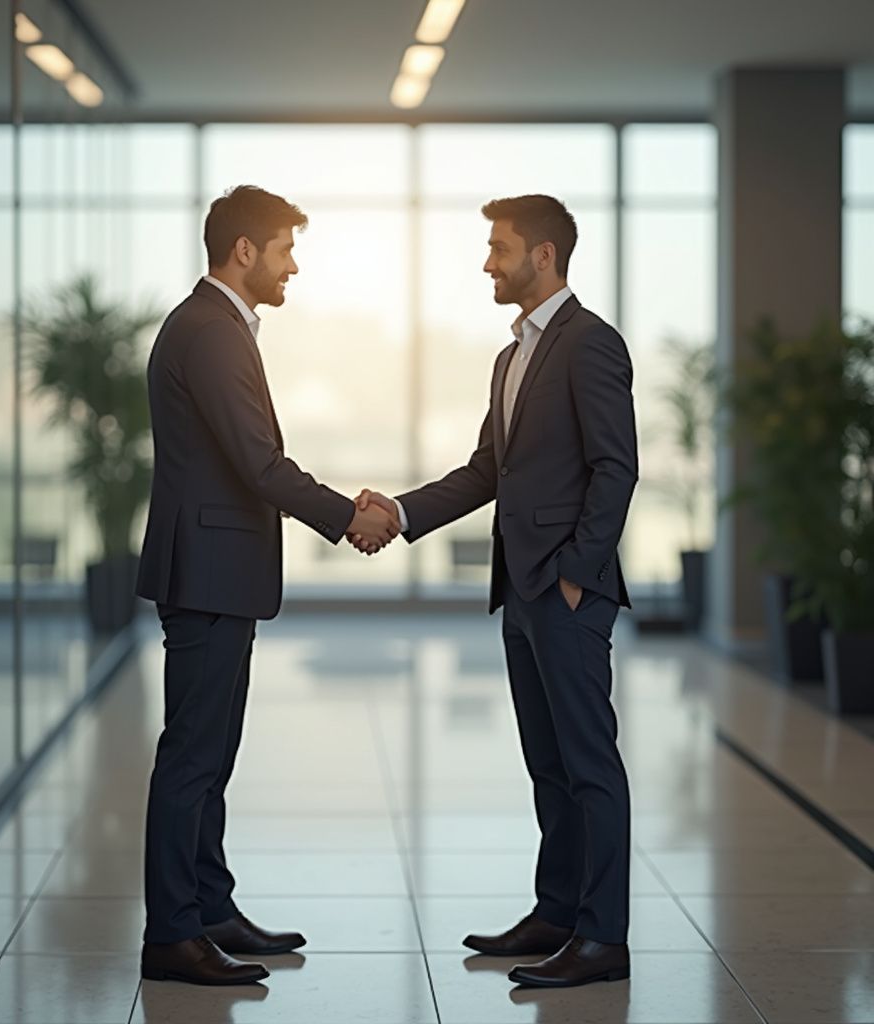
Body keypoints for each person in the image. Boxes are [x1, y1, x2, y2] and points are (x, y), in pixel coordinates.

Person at [354, 194, 638, 988]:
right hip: (521, 590)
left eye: (498, 248)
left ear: (543, 256)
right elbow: (490, 472)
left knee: (589, 765)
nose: (487, 262)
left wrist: (580, 574)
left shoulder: (591, 345)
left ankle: (602, 938)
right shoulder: (510, 356)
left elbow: (617, 467)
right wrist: (401, 513)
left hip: (567, 589)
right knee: (548, 764)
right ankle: (557, 913)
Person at [136, 185, 399, 986]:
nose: (294, 266)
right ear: (243, 251)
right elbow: (258, 463)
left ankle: (209, 908)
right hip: (209, 575)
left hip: (219, 573)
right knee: (192, 756)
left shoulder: (217, 326)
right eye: (285, 249)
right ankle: (173, 934)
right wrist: (345, 515)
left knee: (210, 753)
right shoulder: (211, 332)